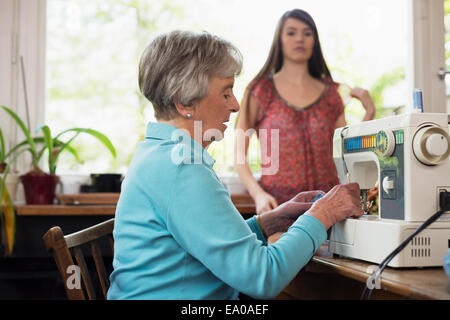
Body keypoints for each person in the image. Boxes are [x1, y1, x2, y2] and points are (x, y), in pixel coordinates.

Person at [107, 30, 363, 300]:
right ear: (184, 102)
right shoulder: (182, 168)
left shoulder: (160, 154)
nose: (236, 105)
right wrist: (322, 215)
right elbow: (263, 277)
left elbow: (205, 243)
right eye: (226, 92)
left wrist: (267, 223)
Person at [234, 9, 375, 214]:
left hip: (329, 207)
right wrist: (258, 194)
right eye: (291, 32)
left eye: (307, 33)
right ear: (279, 40)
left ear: (314, 41)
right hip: (277, 208)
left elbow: (346, 154)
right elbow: (239, 155)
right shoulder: (259, 90)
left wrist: (369, 113)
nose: (300, 38)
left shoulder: (331, 93)